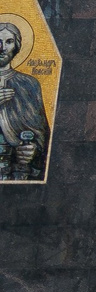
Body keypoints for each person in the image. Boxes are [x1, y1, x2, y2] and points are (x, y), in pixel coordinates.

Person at [0, 21, 49, 183]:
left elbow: (41, 133)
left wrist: (33, 148)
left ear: (17, 45)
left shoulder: (28, 84)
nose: (2, 48)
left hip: (17, 169)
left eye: (9, 41)